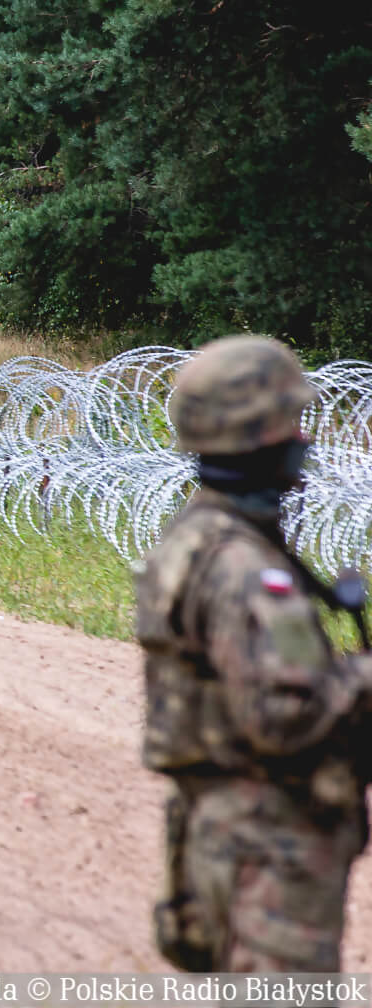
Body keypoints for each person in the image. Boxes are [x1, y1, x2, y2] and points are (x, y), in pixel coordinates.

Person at [139, 335, 371, 972]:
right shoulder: (243, 566)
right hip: (269, 848)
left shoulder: (201, 537)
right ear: (257, 437)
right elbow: (284, 715)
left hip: (227, 832)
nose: (304, 439)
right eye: (291, 423)